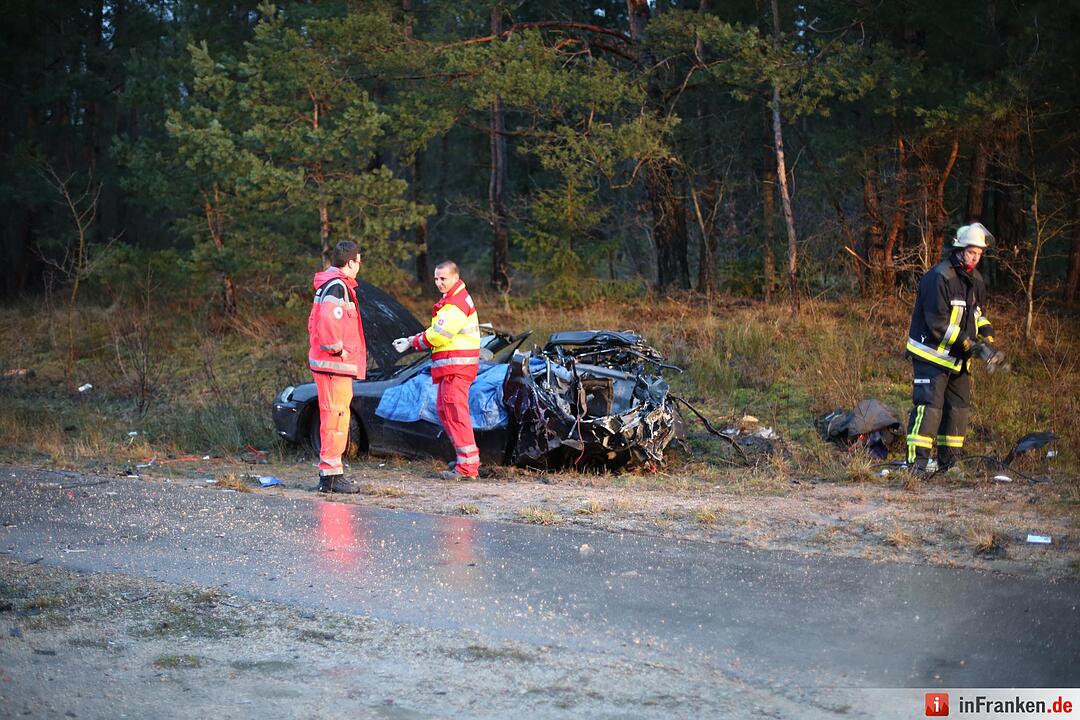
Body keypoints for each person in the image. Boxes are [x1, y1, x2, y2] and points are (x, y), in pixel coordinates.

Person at [904, 223, 1004, 475]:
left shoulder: (976, 280)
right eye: (972, 253)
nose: (976, 258)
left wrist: (987, 337)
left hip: (958, 360)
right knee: (930, 408)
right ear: (960, 249)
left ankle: (950, 464)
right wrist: (968, 344)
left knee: (957, 411)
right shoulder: (938, 277)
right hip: (932, 355)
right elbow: (937, 321)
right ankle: (916, 465)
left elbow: (977, 314)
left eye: (979, 254)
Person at [393, 261, 482, 479]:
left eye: (443, 278)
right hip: (451, 368)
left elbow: (438, 335)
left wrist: (411, 342)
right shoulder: (452, 300)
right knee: (445, 410)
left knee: (455, 413)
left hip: (458, 368)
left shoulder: (456, 303)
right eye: (436, 278)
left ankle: (468, 467)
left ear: (454, 277)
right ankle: (464, 460)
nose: (439, 283)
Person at [308, 241, 367, 493]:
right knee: (335, 418)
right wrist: (337, 349)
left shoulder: (330, 284)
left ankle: (332, 473)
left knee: (334, 417)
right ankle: (331, 477)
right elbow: (328, 323)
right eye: (359, 261)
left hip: (333, 366)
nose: (360, 266)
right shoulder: (337, 286)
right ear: (351, 262)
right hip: (334, 364)